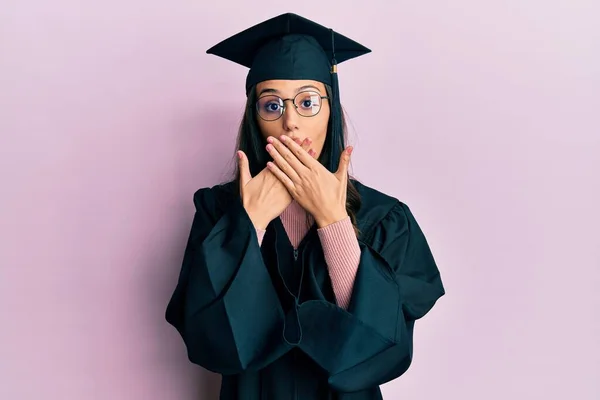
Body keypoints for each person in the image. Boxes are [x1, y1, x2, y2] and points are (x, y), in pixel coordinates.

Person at [165, 12, 445, 400]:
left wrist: (334, 221)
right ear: (255, 117)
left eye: (308, 102)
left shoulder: (384, 218)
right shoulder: (218, 210)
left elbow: (383, 345)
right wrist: (250, 224)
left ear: (331, 111)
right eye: (272, 105)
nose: (291, 122)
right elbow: (209, 337)